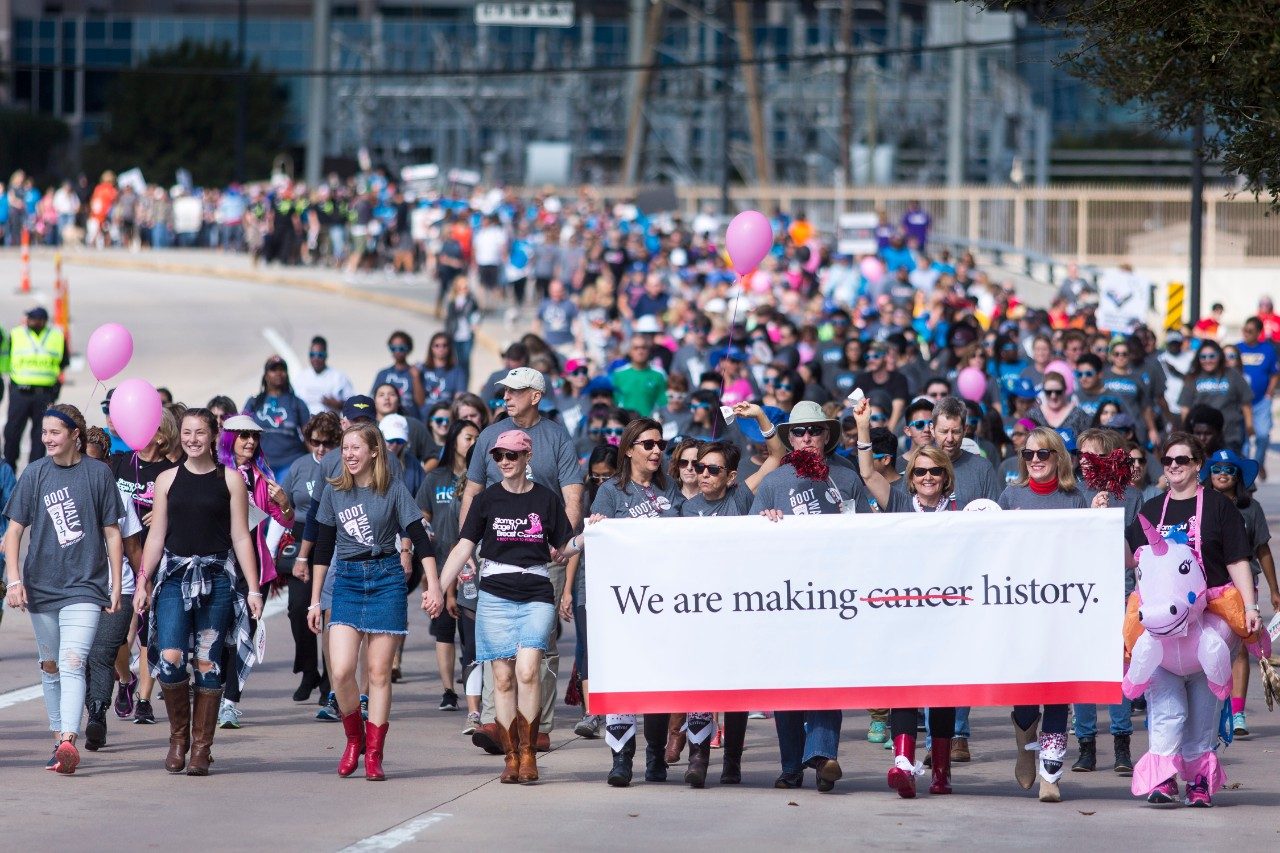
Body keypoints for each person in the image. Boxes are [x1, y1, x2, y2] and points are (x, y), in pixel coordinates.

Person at [428, 429, 575, 784]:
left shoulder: (546, 499)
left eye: (512, 455)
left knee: (527, 670)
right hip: (495, 595)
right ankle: (511, 756)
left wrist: (591, 534)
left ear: (527, 457)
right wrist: (438, 588)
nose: (505, 462)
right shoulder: (486, 500)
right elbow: (463, 547)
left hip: (536, 592)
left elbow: (565, 546)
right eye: (498, 456)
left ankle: (529, 752)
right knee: (503, 678)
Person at [1123, 433, 1262, 806]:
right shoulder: (1153, 508)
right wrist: (1102, 514)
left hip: (1207, 620)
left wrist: (1250, 607)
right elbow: (1129, 557)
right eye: (1168, 461)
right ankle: (1163, 778)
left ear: (1198, 464)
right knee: (1166, 708)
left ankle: (1199, 781)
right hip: (1162, 625)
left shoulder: (1218, 508)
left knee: (1202, 710)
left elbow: (1237, 559)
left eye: (1182, 460)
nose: (1174, 467)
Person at [460, 366, 583, 755]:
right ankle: (497, 723)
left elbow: (572, 494)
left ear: (536, 396)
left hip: (545, 552)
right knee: (496, 644)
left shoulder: (556, 437)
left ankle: (538, 726)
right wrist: (467, 547)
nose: (506, 397)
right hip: (497, 554)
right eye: (505, 392)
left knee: (541, 644)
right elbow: (473, 491)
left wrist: (560, 543)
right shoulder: (490, 436)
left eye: (514, 391)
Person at [753, 401, 875, 793]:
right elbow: (748, 540)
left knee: (826, 678)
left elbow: (868, 534)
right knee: (787, 683)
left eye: (815, 431)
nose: (807, 438)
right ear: (789, 438)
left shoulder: (846, 476)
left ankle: (822, 757)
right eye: (799, 432)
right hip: (785, 597)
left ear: (826, 435)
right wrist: (764, 523)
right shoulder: (773, 482)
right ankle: (791, 766)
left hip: (835, 597)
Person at [136, 408, 264, 776]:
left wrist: (254, 589)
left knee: (208, 662)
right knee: (171, 656)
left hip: (217, 578)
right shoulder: (166, 479)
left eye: (200, 433)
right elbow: (156, 536)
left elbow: (241, 537)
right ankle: (178, 739)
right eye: (187, 433)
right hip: (175, 578)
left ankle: (201, 749)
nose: (192, 439)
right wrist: (143, 581)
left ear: (213, 436)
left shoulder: (231, 480)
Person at [307, 422, 437, 781]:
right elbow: (323, 548)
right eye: (345, 448)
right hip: (347, 581)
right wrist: (315, 600)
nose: (349, 454)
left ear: (374, 451)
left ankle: (375, 754)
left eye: (356, 448)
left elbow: (419, 536)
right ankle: (355, 739)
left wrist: (434, 585)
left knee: (379, 673)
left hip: (386, 579)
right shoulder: (334, 491)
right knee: (341, 670)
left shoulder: (392, 488)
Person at [3, 405, 124, 774]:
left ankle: (69, 739)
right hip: (41, 587)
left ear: (75, 435)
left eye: (54, 432)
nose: (47, 439)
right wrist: (14, 580)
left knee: (73, 662)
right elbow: (14, 532)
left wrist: (116, 583)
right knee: (51, 665)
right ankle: (58, 738)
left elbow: (112, 532)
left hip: (85, 586)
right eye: (44, 432)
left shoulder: (99, 474)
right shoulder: (35, 473)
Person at [672, 406, 786, 787]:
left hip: (736, 609)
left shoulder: (739, 499)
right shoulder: (683, 509)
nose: (703, 474)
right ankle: (698, 758)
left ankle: (732, 762)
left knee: (735, 687)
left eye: (713, 469)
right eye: (699, 468)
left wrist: (760, 417)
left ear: (730, 476)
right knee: (699, 683)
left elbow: (776, 457)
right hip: (696, 610)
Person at [852, 398, 959, 797]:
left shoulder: (961, 511)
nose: (928, 477)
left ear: (945, 477)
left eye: (935, 471)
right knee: (904, 688)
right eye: (921, 472)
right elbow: (867, 472)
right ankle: (903, 764)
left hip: (946, 616)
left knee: (944, 693)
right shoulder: (897, 501)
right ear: (911, 478)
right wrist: (863, 427)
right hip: (904, 614)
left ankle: (941, 772)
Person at [999, 427, 1107, 803]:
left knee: (1059, 692)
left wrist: (1097, 520)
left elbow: (1090, 552)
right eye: (1028, 454)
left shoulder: (1076, 498)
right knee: (1026, 693)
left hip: (1062, 611)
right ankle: (1025, 743)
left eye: (1042, 454)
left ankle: (1051, 772)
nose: (1035, 460)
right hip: (1021, 610)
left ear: (1058, 457)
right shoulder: (1010, 496)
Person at [591, 417, 684, 787]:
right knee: (624, 680)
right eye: (648, 444)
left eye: (661, 444)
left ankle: (656, 756)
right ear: (629, 449)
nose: (657, 451)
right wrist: (597, 526)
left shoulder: (670, 488)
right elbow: (596, 540)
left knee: (657, 681)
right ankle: (622, 758)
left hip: (664, 600)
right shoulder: (611, 492)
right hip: (624, 603)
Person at [1199, 448, 1278, 738]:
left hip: (1242, 587)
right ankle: (1211, 708)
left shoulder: (1251, 509)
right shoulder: (1200, 505)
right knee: (1207, 646)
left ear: (1238, 476)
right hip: (1207, 585)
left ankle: (1238, 711)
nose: (1223, 474)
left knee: (1240, 648)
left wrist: (1274, 590)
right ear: (1208, 474)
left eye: (1230, 470)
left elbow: (1262, 549)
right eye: (1217, 469)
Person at [417, 418, 481, 723]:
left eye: (476, 438)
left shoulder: (478, 479)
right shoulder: (436, 477)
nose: (472, 442)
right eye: (468, 437)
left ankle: (475, 695)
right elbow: (421, 516)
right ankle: (448, 690)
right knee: (443, 631)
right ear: (454, 439)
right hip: (441, 561)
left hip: (470, 567)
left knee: (470, 638)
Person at [559, 444, 618, 742]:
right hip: (587, 579)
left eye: (607, 476)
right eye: (596, 477)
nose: (600, 482)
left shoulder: (623, 494)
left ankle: (616, 706)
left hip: (620, 581)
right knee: (586, 645)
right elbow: (574, 548)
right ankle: (591, 712)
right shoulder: (585, 497)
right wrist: (567, 590)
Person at [281, 412, 341, 703]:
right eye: (315, 442)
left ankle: (330, 679)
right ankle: (308, 670)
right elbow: (285, 507)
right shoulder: (299, 466)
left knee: (329, 611)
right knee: (297, 607)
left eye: (327, 443)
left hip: (333, 536)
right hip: (301, 535)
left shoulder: (342, 464)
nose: (320, 448)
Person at [2, 307, 69, 467]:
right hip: (20, 392)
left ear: (44, 321)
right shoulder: (16, 334)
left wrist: (55, 386)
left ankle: (34, 474)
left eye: (37, 319)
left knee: (41, 437)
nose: (33, 322)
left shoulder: (56, 336)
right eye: (31, 319)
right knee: (12, 434)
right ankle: (8, 472)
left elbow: (63, 362)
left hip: (44, 393)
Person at [242, 355, 312, 483]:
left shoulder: (297, 403)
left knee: (283, 494)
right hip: (260, 464)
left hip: (291, 463)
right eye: (273, 369)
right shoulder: (254, 402)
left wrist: (319, 463)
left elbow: (309, 438)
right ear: (266, 375)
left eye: (282, 369)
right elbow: (241, 433)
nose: (278, 373)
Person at [1178, 339, 1252, 453]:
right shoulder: (1192, 377)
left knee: (1229, 464)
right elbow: (1185, 409)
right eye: (1203, 357)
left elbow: (1245, 402)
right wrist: (1187, 434)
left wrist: (1249, 425)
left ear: (1219, 356)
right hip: (1202, 439)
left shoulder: (1232, 374)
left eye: (1212, 356)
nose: (1207, 360)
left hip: (1230, 436)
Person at [1235, 317, 1279, 480]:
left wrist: (1269, 392)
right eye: (1244, 330)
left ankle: (1258, 462)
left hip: (1261, 401)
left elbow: (1274, 373)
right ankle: (1247, 471)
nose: (1246, 333)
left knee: (1262, 435)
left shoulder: (1267, 350)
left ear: (1259, 333)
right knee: (1244, 439)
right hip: (1241, 402)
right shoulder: (1237, 348)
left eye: (1250, 331)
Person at [294, 336, 355, 416]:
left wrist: (338, 404)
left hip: (330, 422)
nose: (316, 358)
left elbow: (353, 404)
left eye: (320, 355)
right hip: (306, 422)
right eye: (312, 355)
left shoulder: (338, 377)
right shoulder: (300, 377)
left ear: (326, 355)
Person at [611, 336, 667, 417]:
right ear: (630, 351)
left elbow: (663, 403)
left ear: (649, 351)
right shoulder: (618, 374)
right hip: (626, 423)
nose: (640, 351)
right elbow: (614, 403)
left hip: (649, 422)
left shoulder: (659, 374)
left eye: (644, 348)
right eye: (636, 348)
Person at [420, 331, 468, 407]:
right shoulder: (421, 369)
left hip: (447, 412)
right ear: (431, 348)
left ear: (449, 348)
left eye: (444, 345)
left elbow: (459, 397)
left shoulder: (457, 371)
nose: (441, 349)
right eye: (437, 345)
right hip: (425, 412)